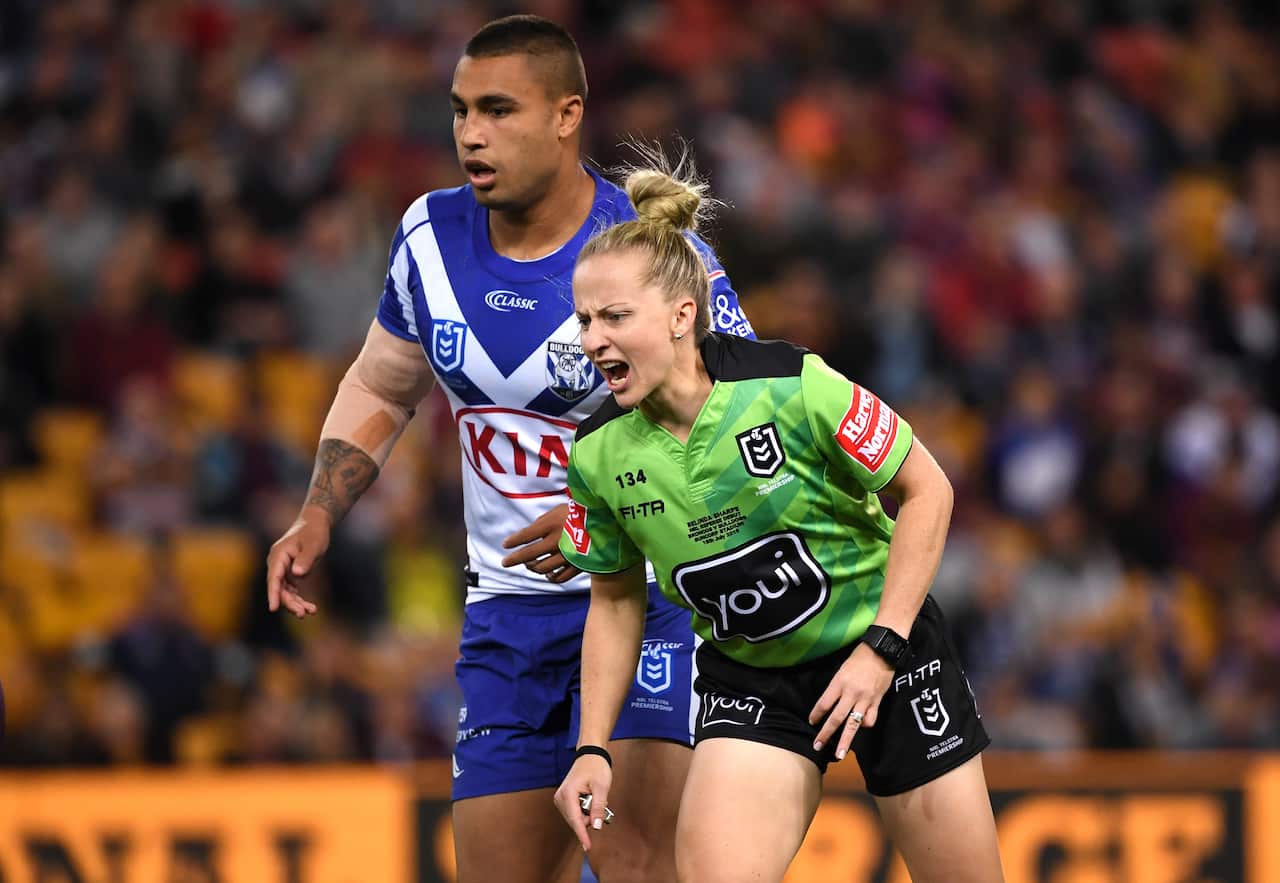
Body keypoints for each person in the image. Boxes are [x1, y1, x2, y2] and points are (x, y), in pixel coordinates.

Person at [263, 15, 753, 883]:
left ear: (567, 116)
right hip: (505, 618)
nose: (471, 135)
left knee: (639, 863)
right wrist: (318, 510)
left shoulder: (654, 256)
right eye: (459, 112)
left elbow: (744, 439)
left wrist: (594, 526)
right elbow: (382, 382)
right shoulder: (428, 236)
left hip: (649, 604)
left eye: (498, 110)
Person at [552, 158, 1006, 883]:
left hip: (885, 648)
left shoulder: (793, 385)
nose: (593, 339)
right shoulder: (597, 454)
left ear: (681, 315)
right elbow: (613, 597)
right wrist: (592, 747)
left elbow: (930, 491)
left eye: (614, 316)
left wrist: (881, 649)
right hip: (755, 677)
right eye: (583, 319)